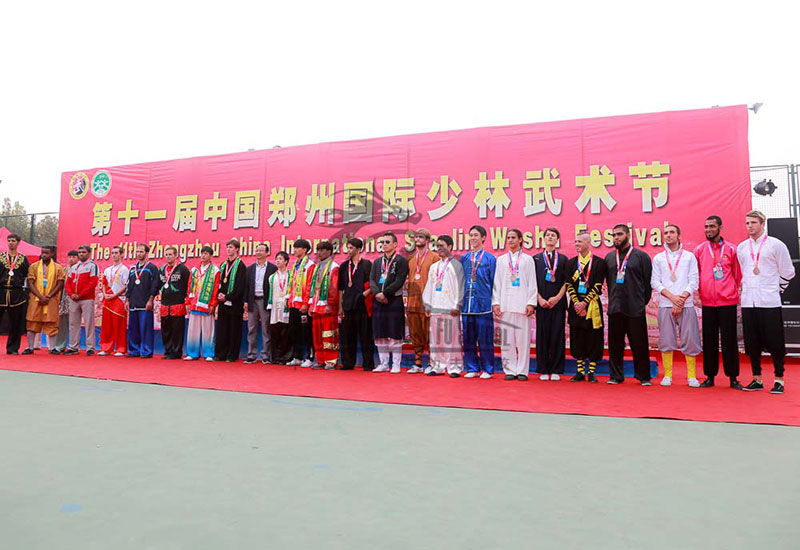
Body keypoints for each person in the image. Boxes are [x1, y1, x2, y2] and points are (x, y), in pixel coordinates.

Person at [737, 210, 795, 394]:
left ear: (763, 224)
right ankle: (757, 379)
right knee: (752, 343)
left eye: (753, 222)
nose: (750, 226)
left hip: (769, 302)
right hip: (748, 301)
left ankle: (779, 379)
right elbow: (744, 272)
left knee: (776, 342)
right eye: (747, 223)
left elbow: (788, 271)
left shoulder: (775, 245)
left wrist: (776, 290)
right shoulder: (742, 247)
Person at [694, 216, 743, 389]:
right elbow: (698, 274)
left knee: (730, 341)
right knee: (709, 340)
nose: (708, 230)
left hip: (727, 301)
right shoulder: (699, 250)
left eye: (712, 226)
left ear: (720, 227)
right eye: (706, 226)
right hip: (708, 302)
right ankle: (710, 376)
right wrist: (703, 293)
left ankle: (733, 377)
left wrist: (728, 290)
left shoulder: (731, 249)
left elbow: (737, 275)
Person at [651, 225, 701, 387]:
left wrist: (681, 299)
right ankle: (668, 375)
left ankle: (692, 376)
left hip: (686, 305)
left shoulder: (689, 257)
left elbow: (694, 280)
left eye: (672, 232)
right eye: (666, 233)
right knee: (666, 339)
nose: (668, 235)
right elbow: (655, 282)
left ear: (679, 235)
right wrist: (672, 298)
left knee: (690, 339)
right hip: (666, 304)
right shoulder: (659, 258)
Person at [605, 225, 653, 385]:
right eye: (614, 235)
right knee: (615, 345)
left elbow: (647, 284)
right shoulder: (610, 258)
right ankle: (616, 376)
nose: (616, 237)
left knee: (639, 344)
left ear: (628, 235)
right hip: (615, 308)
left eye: (619, 234)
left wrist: (640, 302)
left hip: (635, 308)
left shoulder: (641, 256)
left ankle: (643, 376)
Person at [492, 229, 537, 381]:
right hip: (505, 304)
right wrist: (496, 302)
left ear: (520, 240)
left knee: (523, 341)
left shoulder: (528, 260)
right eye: (508, 238)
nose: (510, 240)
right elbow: (496, 283)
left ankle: (523, 370)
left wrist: (531, 302)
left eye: (513, 238)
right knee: (507, 340)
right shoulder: (501, 260)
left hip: (523, 305)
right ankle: (510, 369)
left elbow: (532, 283)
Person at [565, 232, 607, 383]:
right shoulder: (571, 263)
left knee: (594, 338)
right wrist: (577, 303)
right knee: (577, 337)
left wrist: (584, 303)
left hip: (592, 306)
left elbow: (597, 285)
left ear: (588, 243)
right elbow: (569, 285)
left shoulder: (599, 263)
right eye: (575, 242)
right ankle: (580, 371)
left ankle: (592, 371)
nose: (576, 244)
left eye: (580, 242)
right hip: (575, 306)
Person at [422, 235, 464, 377]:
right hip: (435, 307)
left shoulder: (456, 265)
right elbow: (429, 287)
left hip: (449, 308)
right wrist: (427, 304)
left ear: (450, 247)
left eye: (442, 246)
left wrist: (456, 305)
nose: (439, 249)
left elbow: (460, 287)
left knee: (451, 339)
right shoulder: (434, 267)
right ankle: (438, 366)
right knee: (436, 339)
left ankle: (454, 367)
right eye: (437, 246)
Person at [370, 231, 409, 373]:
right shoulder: (377, 262)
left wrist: (385, 293)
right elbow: (372, 280)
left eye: (387, 242)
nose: (384, 245)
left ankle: (396, 364)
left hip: (394, 300)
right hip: (378, 301)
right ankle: (383, 363)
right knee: (380, 332)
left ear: (395, 244)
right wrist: (377, 294)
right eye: (382, 242)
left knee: (394, 332)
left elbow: (400, 280)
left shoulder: (401, 261)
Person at [461, 225, 497, 379]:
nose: (473, 238)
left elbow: (494, 281)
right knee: (468, 338)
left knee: (485, 339)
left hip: (484, 306)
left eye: (476, 235)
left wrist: (494, 302)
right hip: (467, 306)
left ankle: (487, 369)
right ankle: (471, 368)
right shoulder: (463, 258)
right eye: (471, 235)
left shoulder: (490, 258)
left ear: (483, 238)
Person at [533, 228, 568, 381]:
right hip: (541, 303)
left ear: (557, 240)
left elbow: (567, 282)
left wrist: (558, 298)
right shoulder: (536, 259)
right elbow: (531, 282)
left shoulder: (564, 259)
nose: (550, 237)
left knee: (557, 336)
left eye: (553, 235)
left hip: (558, 304)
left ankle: (556, 369)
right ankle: (543, 369)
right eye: (547, 235)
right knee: (542, 336)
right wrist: (539, 299)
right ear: (543, 239)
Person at [338, 238, 374, 371]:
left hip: (363, 305)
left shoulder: (367, 265)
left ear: (359, 250)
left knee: (366, 335)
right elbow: (340, 288)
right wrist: (340, 307)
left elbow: (373, 284)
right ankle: (348, 363)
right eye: (348, 248)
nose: (349, 250)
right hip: (348, 305)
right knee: (347, 336)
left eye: (351, 248)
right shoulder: (344, 266)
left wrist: (365, 293)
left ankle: (368, 363)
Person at [406, 228, 439, 373]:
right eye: (415, 237)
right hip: (413, 302)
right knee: (415, 333)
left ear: (427, 241)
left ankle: (432, 363)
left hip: (428, 303)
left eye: (420, 237)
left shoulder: (434, 257)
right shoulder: (411, 259)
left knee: (429, 334)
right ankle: (418, 363)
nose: (417, 239)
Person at [22, 246, 66, 354]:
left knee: (52, 323)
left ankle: (52, 348)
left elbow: (60, 283)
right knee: (32, 321)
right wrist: (40, 296)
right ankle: (30, 347)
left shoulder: (58, 268)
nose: (44, 255)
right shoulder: (34, 266)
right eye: (43, 253)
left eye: (46, 253)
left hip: (51, 300)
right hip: (36, 299)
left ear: (52, 254)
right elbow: (30, 283)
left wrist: (49, 296)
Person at [214, 239, 247, 362]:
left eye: (231, 247)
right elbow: (218, 282)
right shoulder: (223, 265)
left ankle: (232, 355)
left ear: (237, 249)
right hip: (223, 303)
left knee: (234, 330)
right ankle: (220, 354)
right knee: (222, 329)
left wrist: (228, 297)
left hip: (234, 303)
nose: (228, 249)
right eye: (227, 247)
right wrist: (219, 295)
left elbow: (240, 286)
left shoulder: (241, 266)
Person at [309, 241, 340, 369]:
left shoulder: (334, 267)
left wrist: (330, 303)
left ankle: (331, 360)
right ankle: (320, 359)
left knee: (329, 334)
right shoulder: (317, 267)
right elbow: (312, 287)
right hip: (317, 305)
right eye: (318, 250)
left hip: (328, 306)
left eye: (322, 250)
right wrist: (311, 304)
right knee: (317, 334)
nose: (319, 253)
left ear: (329, 252)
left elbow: (334, 287)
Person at [185, 245, 219, 362]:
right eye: (202, 253)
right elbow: (190, 286)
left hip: (207, 305)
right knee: (193, 330)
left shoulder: (215, 270)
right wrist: (188, 301)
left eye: (206, 253)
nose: (203, 255)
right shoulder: (194, 270)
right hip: (195, 303)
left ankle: (208, 353)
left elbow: (215, 289)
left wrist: (213, 304)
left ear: (211, 256)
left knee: (208, 330)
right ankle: (192, 353)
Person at [244, 243, 277, 364]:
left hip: (265, 301)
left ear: (267, 253)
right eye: (257, 250)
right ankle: (251, 354)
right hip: (253, 300)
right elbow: (246, 287)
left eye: (261, 250)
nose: (258, 252)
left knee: (265, 329)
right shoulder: (250, 268)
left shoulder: (272, 268)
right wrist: (246, 301)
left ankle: (265, 355)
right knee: (251, 328)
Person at [126, 244, 160, 358]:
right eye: (137, 251)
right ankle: (134, 350)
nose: (139, 254)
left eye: (141, 252)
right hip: (133, 303)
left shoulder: (152, 268)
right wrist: (127, 300)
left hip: (145, 303)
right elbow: (129, 285)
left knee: (145, 329)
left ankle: (146, 351)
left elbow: (155, 285)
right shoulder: (132, 269)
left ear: (146, 253)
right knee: (133, 329)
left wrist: (150, 300)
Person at [64, 245, 99, 356]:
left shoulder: (92, 266)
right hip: (74, 299)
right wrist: (71, 294)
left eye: (83, 252)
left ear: (89, 253)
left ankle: (90, 347)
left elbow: (93, 283)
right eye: (79, 252)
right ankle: (73, 347)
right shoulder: (74, 267)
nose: (81, 254)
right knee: (73, 323)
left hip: (87, 299)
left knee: (89, 323)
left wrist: (80, 294)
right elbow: (68, 283)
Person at [286, 239, 316, 367]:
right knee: (294, 330)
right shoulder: (295, 264)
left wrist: (306, 303)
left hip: (303, 305)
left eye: (298, 247)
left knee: (307, 332)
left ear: (305, 249)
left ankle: (310, 357)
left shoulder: (309, 265)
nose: (295, 250)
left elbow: (310, 285)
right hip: (293, 303)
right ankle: (297, 356)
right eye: (294, 247)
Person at [158, 246, 190, 359]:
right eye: (166, 254)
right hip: (165, 304)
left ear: (176, 255)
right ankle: (168, 351)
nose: (168, 256)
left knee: (177, 330)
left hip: (178, 304)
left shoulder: (183, 269)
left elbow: (188, 286)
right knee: (166, 330)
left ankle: (176, 352)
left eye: (170, 254)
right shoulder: (162, 269)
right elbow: (159, 285)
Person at [0, 232, 30, 354]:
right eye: (9, 241)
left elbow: (26, 274)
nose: (11, 243)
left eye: (13, 241)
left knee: (15, 322)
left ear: (18, 243)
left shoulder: (23, 258)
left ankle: (12, 348)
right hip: (1, 292)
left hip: (16, 293)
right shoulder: (1, 257)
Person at [98, 246, 129, 356]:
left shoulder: (124, 269)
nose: (114, 255)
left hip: (119, 300)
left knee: (119, 325)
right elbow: (104, 284)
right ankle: (106, 347)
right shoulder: (107, 270)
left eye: (116, 253)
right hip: (108, 300)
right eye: (113, 253)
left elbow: (125, 286)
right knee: (107, 325)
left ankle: (120, 348)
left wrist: (114, 295)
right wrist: (105, 293)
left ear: (122, 255)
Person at [50, 250, 79, 354]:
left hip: (76, 298)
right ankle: (60, 346)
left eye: (74, 257)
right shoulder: (64, 270)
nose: (71, 259)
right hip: (64, 298)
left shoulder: (80, 269)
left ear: (78, 258)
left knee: (74, 323)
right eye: (70, 257)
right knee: (62, 322)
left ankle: (74, 346)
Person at [267, 252, 292, 364]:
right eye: (276, 259)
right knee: (275, 333)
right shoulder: (272, 277)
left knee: (285, 333)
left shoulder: (291, 275)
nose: (277, 261)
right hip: (275, 308)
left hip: (286, 308)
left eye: (280, 259)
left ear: (286, 261)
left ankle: (285, 357)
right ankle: (275, 357)